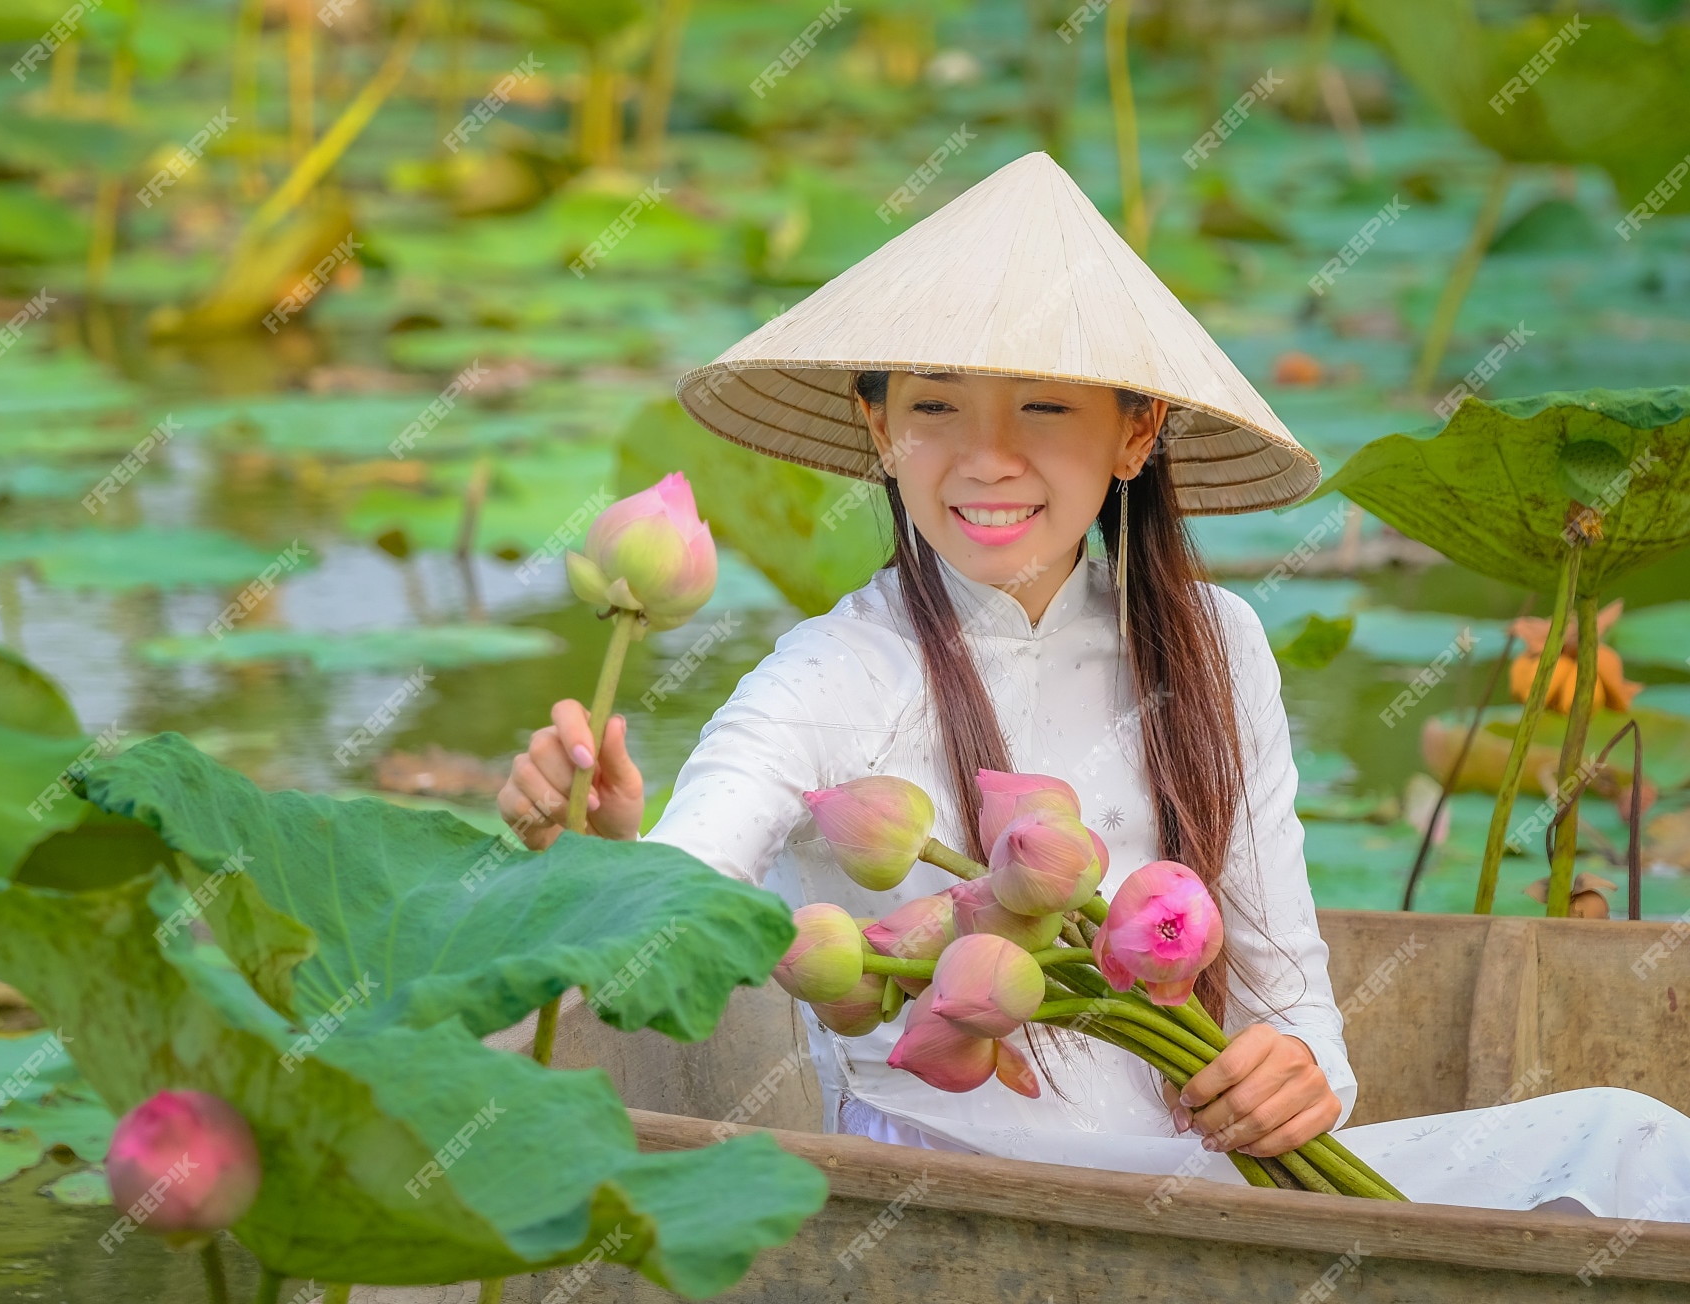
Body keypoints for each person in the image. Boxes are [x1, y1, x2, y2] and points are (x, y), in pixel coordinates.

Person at [498, 152, 1690, 1218]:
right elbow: (684, 893)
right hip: (946, 1200)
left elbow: (1297, 1016)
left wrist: (1296, 1077)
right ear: (875, 429)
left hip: (1200, 1187)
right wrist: (606, 857)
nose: (986, 457)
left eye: (1044, 407)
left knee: (1624, 1142)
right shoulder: (829, 670)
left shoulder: (1216, 648)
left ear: (1134, 434)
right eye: (931, 407)